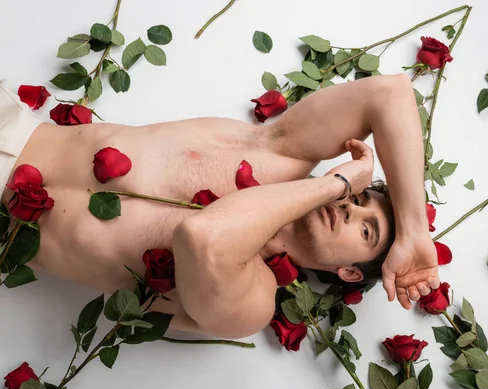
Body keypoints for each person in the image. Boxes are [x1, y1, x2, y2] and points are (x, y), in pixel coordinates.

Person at [0, 73, 440, 340]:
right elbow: (390, 93)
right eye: (360, 199)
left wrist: (336, 185)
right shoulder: (277, 151)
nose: (350, 208)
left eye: (366, 231)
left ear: (347, 272)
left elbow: (204, 238)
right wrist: (414, 233)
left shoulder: (252, 302)